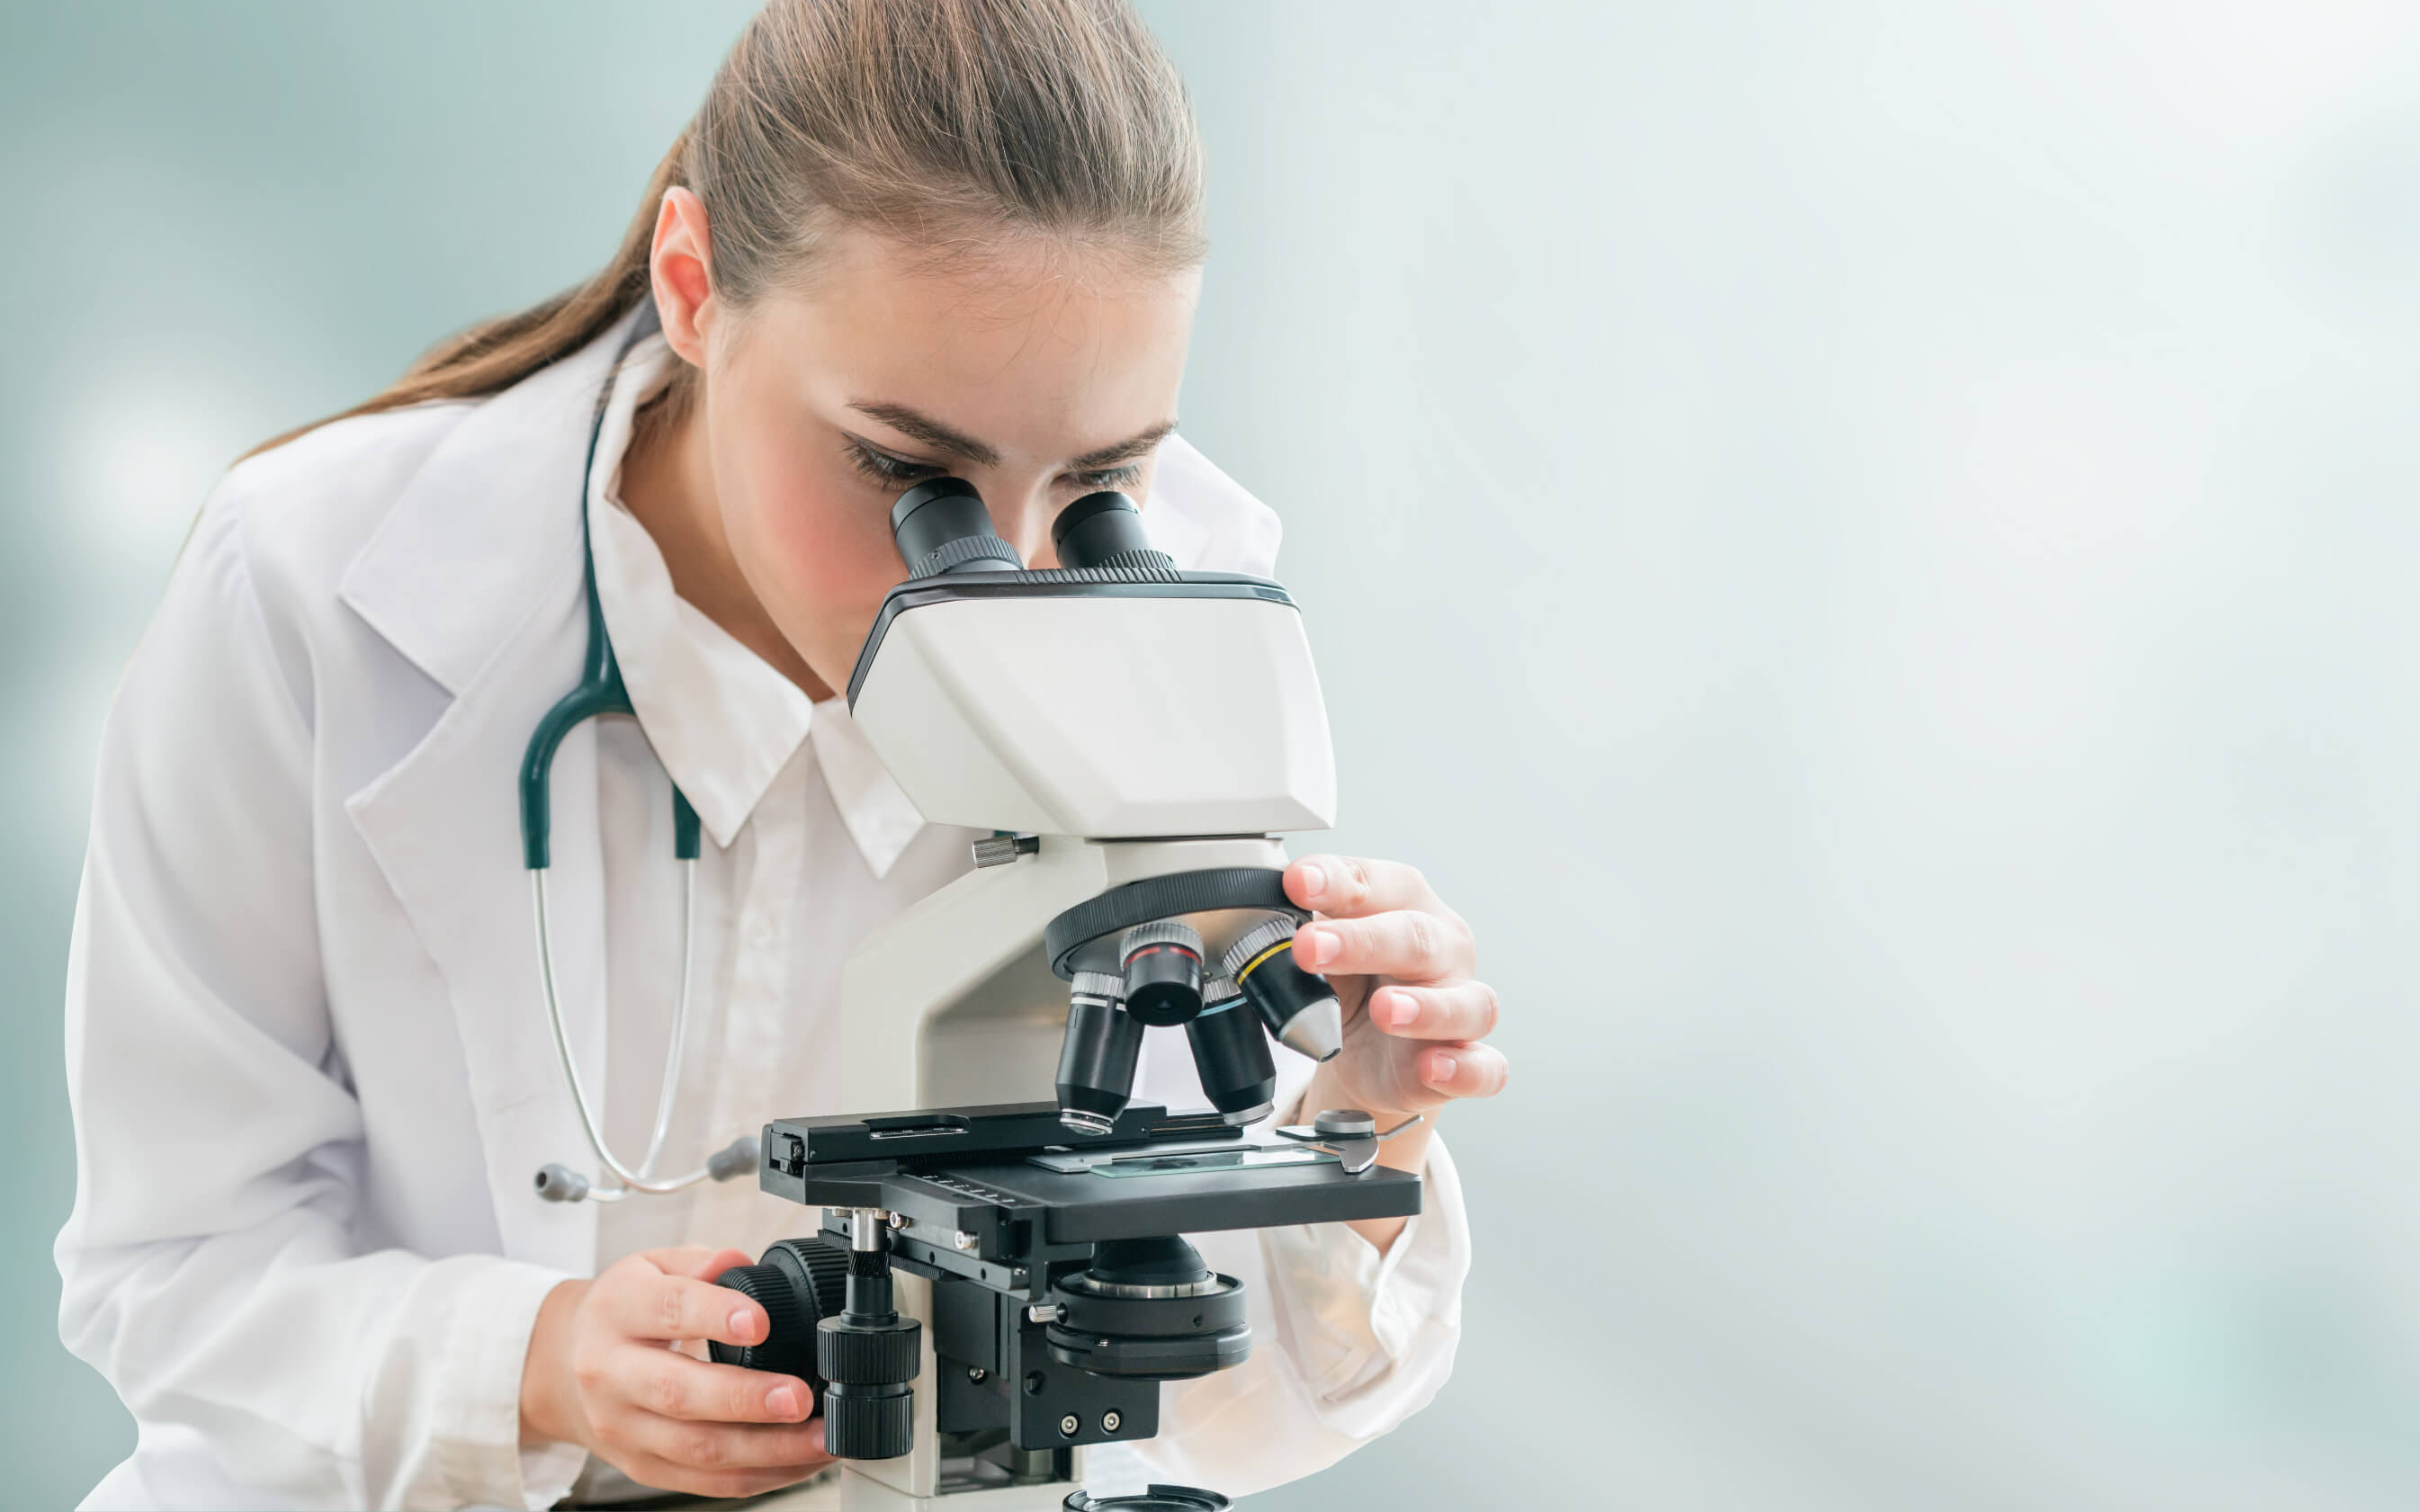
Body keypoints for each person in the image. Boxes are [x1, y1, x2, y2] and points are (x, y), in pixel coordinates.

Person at [49, 3, 1510, 1507]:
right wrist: (532, 1363)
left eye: (1102, 478)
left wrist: (1366, 1123)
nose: (1003, 578)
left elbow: (1222, 1386)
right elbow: (173, 1274)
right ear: (694, 288)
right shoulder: (310, 583)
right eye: (911, 473)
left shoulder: (1183, 609)